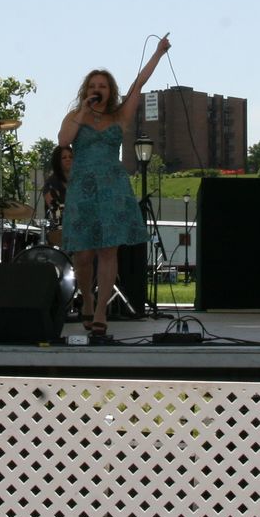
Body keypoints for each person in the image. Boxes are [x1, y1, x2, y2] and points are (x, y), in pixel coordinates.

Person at [56, 36, 171, 339]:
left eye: (103, 86)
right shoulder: (75, 116)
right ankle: (87, 298)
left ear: (110, 90)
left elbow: (139, 83)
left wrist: (158, 53)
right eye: (93, 86)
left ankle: (101, 312)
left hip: (112, 188)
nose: (98, 89)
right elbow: (63, 141)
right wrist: (83, 112)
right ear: (86, 90)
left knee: (108, 251)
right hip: (83, 188)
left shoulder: (120, 115)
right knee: (83, 255)